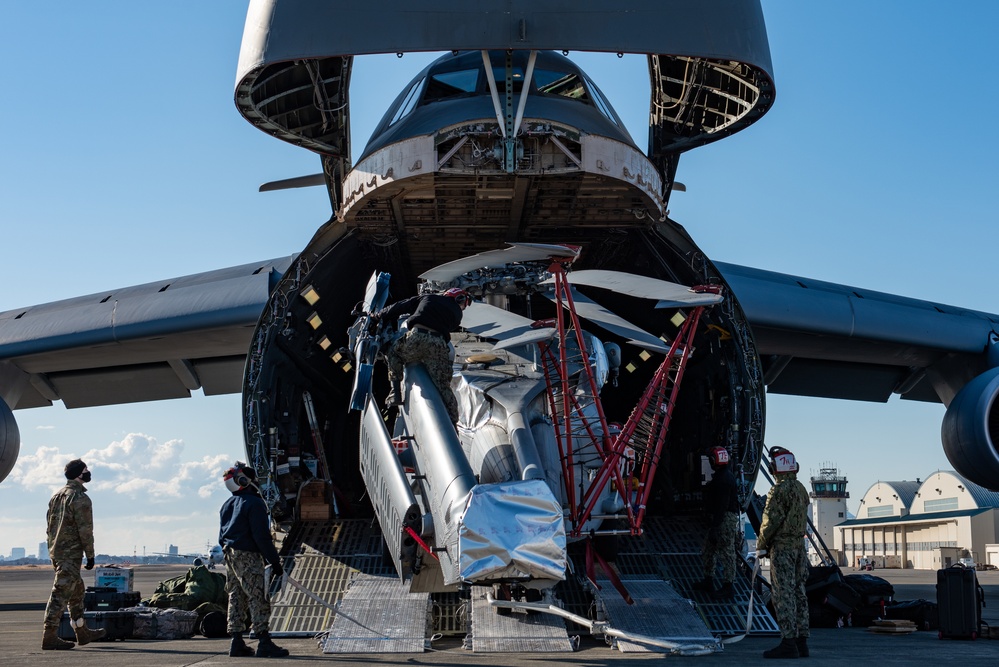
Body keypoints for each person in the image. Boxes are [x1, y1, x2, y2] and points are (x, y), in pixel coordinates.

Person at [219, 462, 289, 658]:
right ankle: (263, 640)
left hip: (230, 554)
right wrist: (275, 562)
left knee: (236, 595)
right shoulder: (255, 503)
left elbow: (221, 537)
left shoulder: (227, 505)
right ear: (245, 481)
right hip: (248, 555)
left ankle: (236, 640)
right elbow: (261, 537)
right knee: (258, 595)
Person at [372, 287, 470, 423]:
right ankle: (453, 423)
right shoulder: (457, 314)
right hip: (438, 344)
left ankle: (395, 393)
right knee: (443, 386)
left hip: (417, 337)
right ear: (459, 299)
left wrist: (378, 315)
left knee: (393, 352)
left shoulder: (428, 297)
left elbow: (400, 306)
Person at [42, 459, 106, 650]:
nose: (88, 473)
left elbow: (49, 527)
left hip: (57, 552)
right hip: (70, 553)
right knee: (60, 593)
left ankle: (81, 631)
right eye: (86, 470)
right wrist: (90, 554)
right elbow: (85, 530)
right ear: (79, 474)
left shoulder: (57, 496)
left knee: (77, 590)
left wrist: (53, 549)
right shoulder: (79, 498)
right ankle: (49, 635)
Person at [757, 446, 810, 659]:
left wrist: (761, 544)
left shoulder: (777, 491)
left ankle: (788, 642)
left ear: (774, 469)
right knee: (799, 592)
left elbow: (770, 522)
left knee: (784, 594)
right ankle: (801, 642)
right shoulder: (800, 489)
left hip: (783, 549)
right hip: (799, 548)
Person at [692, 446, 740, 599]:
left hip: (724, 519)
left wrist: (715, 526)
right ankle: (708, 580)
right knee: (709, 550)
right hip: (720, 518)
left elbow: (723, 505)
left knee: (726, 551)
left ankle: (728, 586)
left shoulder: (723, 479)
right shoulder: (723, 476)